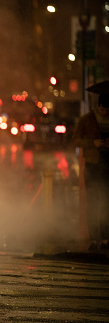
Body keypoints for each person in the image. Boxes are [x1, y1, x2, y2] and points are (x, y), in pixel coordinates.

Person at [73, 94, 109, 250]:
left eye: (106, 108)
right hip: (93, 166)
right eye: (101, 107)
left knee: (106, 203)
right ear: (97, 106)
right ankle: (94, 238)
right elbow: (76, 139)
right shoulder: (86, 119)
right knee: (94, 202)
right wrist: (93, 143)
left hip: (107, 165)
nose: (103, 111)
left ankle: (106, 237)